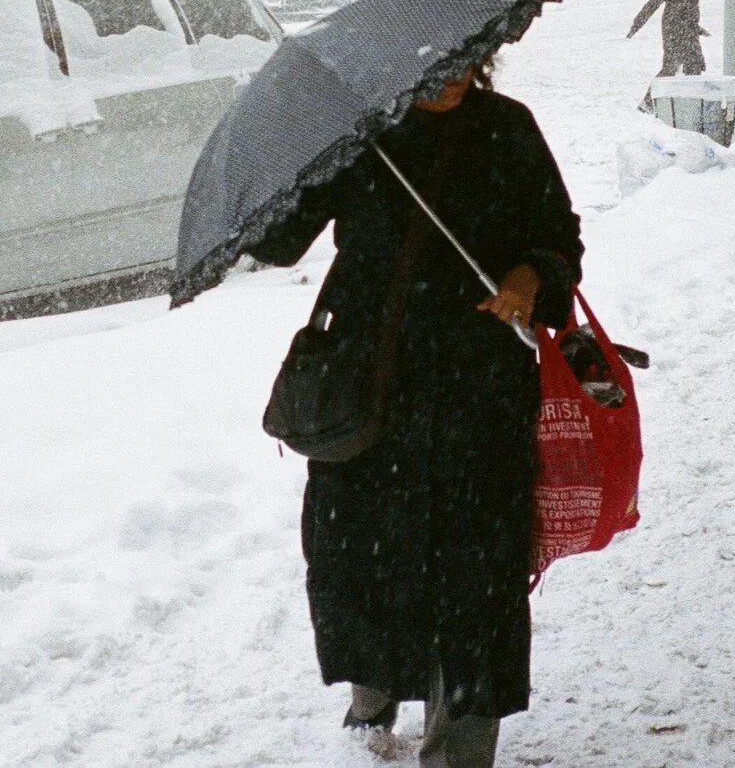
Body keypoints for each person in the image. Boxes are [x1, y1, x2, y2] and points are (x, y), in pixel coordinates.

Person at [246, 63, 584, 768]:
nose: (455, 77)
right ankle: (373, 696)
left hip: (479, 389)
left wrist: (530, 276)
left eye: (466, 60)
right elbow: (278, 241)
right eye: (436, 66)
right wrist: (298, 152)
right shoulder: (358, 137)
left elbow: (560, 238)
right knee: (366, 557)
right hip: (373, 389)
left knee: (475, 573)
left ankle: (458, 747)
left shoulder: (507, 128)